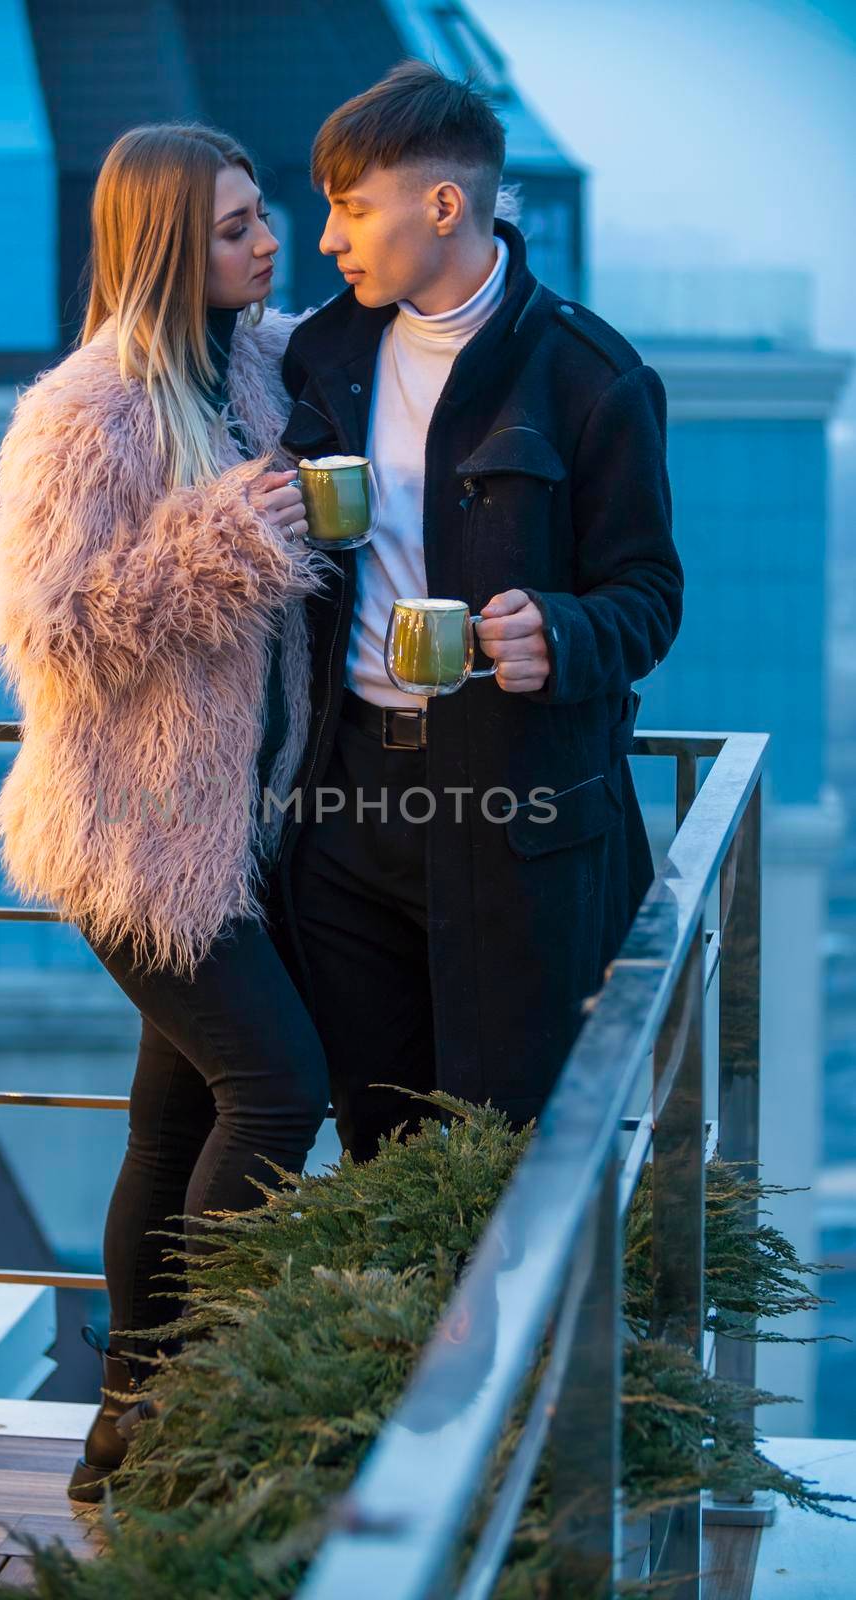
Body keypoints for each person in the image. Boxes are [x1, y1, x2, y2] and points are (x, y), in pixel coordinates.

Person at [0, 123, 335, 1502]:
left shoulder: (253, 357)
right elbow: (47, 629)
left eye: (266, 217)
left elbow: (379, 320)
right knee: (276, 1084)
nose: (268, 242)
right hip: (128, 839)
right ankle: (198, 1413)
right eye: (239, 225)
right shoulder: (89, 409)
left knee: (173, 1126)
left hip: (229, 833)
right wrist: (236, 538)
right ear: (173, 241)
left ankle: (125, 1432)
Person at [273, 61, 684, 1161]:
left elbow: (648, 595)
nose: (327, 239)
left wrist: (557, 633)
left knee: (505, 1150)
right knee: (376, 1140)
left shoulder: (590, 377)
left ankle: (512, 1340)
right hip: (346, 806)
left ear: (442, 205)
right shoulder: (320, 356)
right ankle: (395, 1340)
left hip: (516, 813)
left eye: (351, 208)